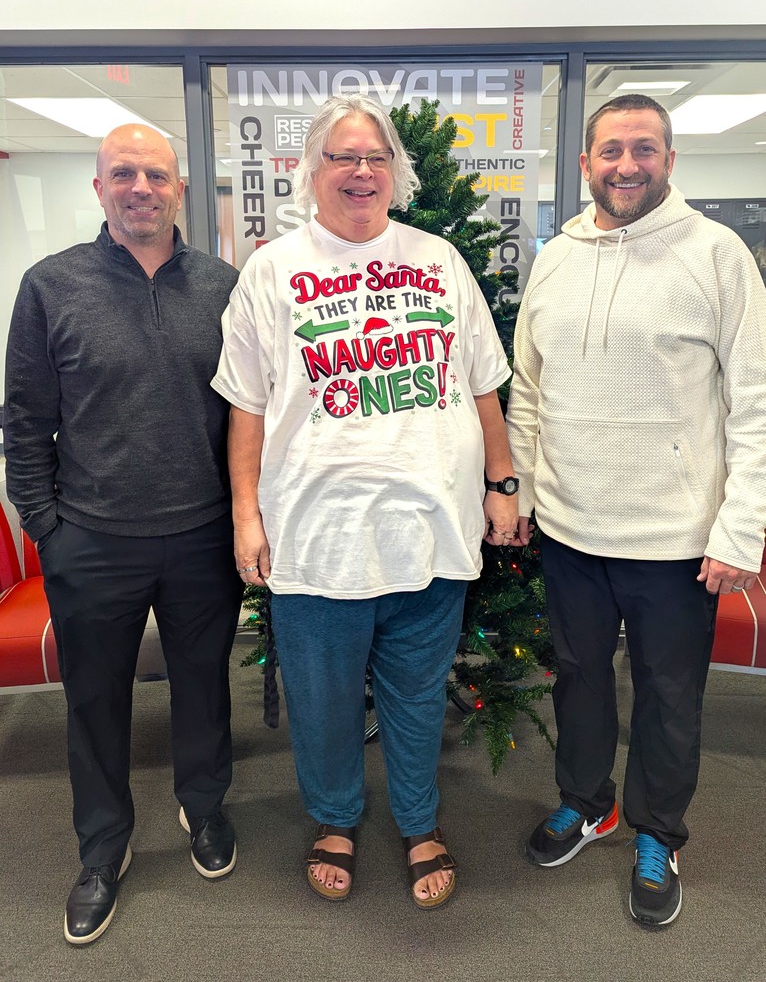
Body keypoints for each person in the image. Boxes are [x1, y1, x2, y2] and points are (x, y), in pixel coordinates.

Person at [212, 93, 519, 908]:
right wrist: (247, 514)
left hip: (430, 533)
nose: (360, 171)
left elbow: (483, 386)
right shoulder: (271, 271)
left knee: (419, 696)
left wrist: (501, 484)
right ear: (313, 173)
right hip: (315, 540)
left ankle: (421, 822)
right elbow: (244, 405)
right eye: (343, 157)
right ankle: (336, 819)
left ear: (395, 174)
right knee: (321, 704)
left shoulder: (438, 260)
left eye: (375, 158)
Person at [508, 94, 766, 926]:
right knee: (579, 679)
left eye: (644, 149)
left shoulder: (718, 256)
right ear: (585, 164)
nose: (627, 165)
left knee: (668, 692)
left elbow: (755, 405)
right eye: (611, 150)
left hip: (676, 540)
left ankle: (659, 830)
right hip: (570, 525)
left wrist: (740, 530)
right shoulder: (555, 259)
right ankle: (589, 803)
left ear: (669, 160)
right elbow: (530, 392)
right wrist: (520, 490)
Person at [3, 124, 244, 945]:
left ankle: (204, 809)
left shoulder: (224, 285)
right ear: (99, 188)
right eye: (123, 174)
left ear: (180, 188)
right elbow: (25, 422)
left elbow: (251, 413)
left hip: (205, 536)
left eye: (157, 175)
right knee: (95, 704)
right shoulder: (49, 286)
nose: (141, 187)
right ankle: (103, 848)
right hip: (93, 542)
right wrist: (47, 530)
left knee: (205, 688)